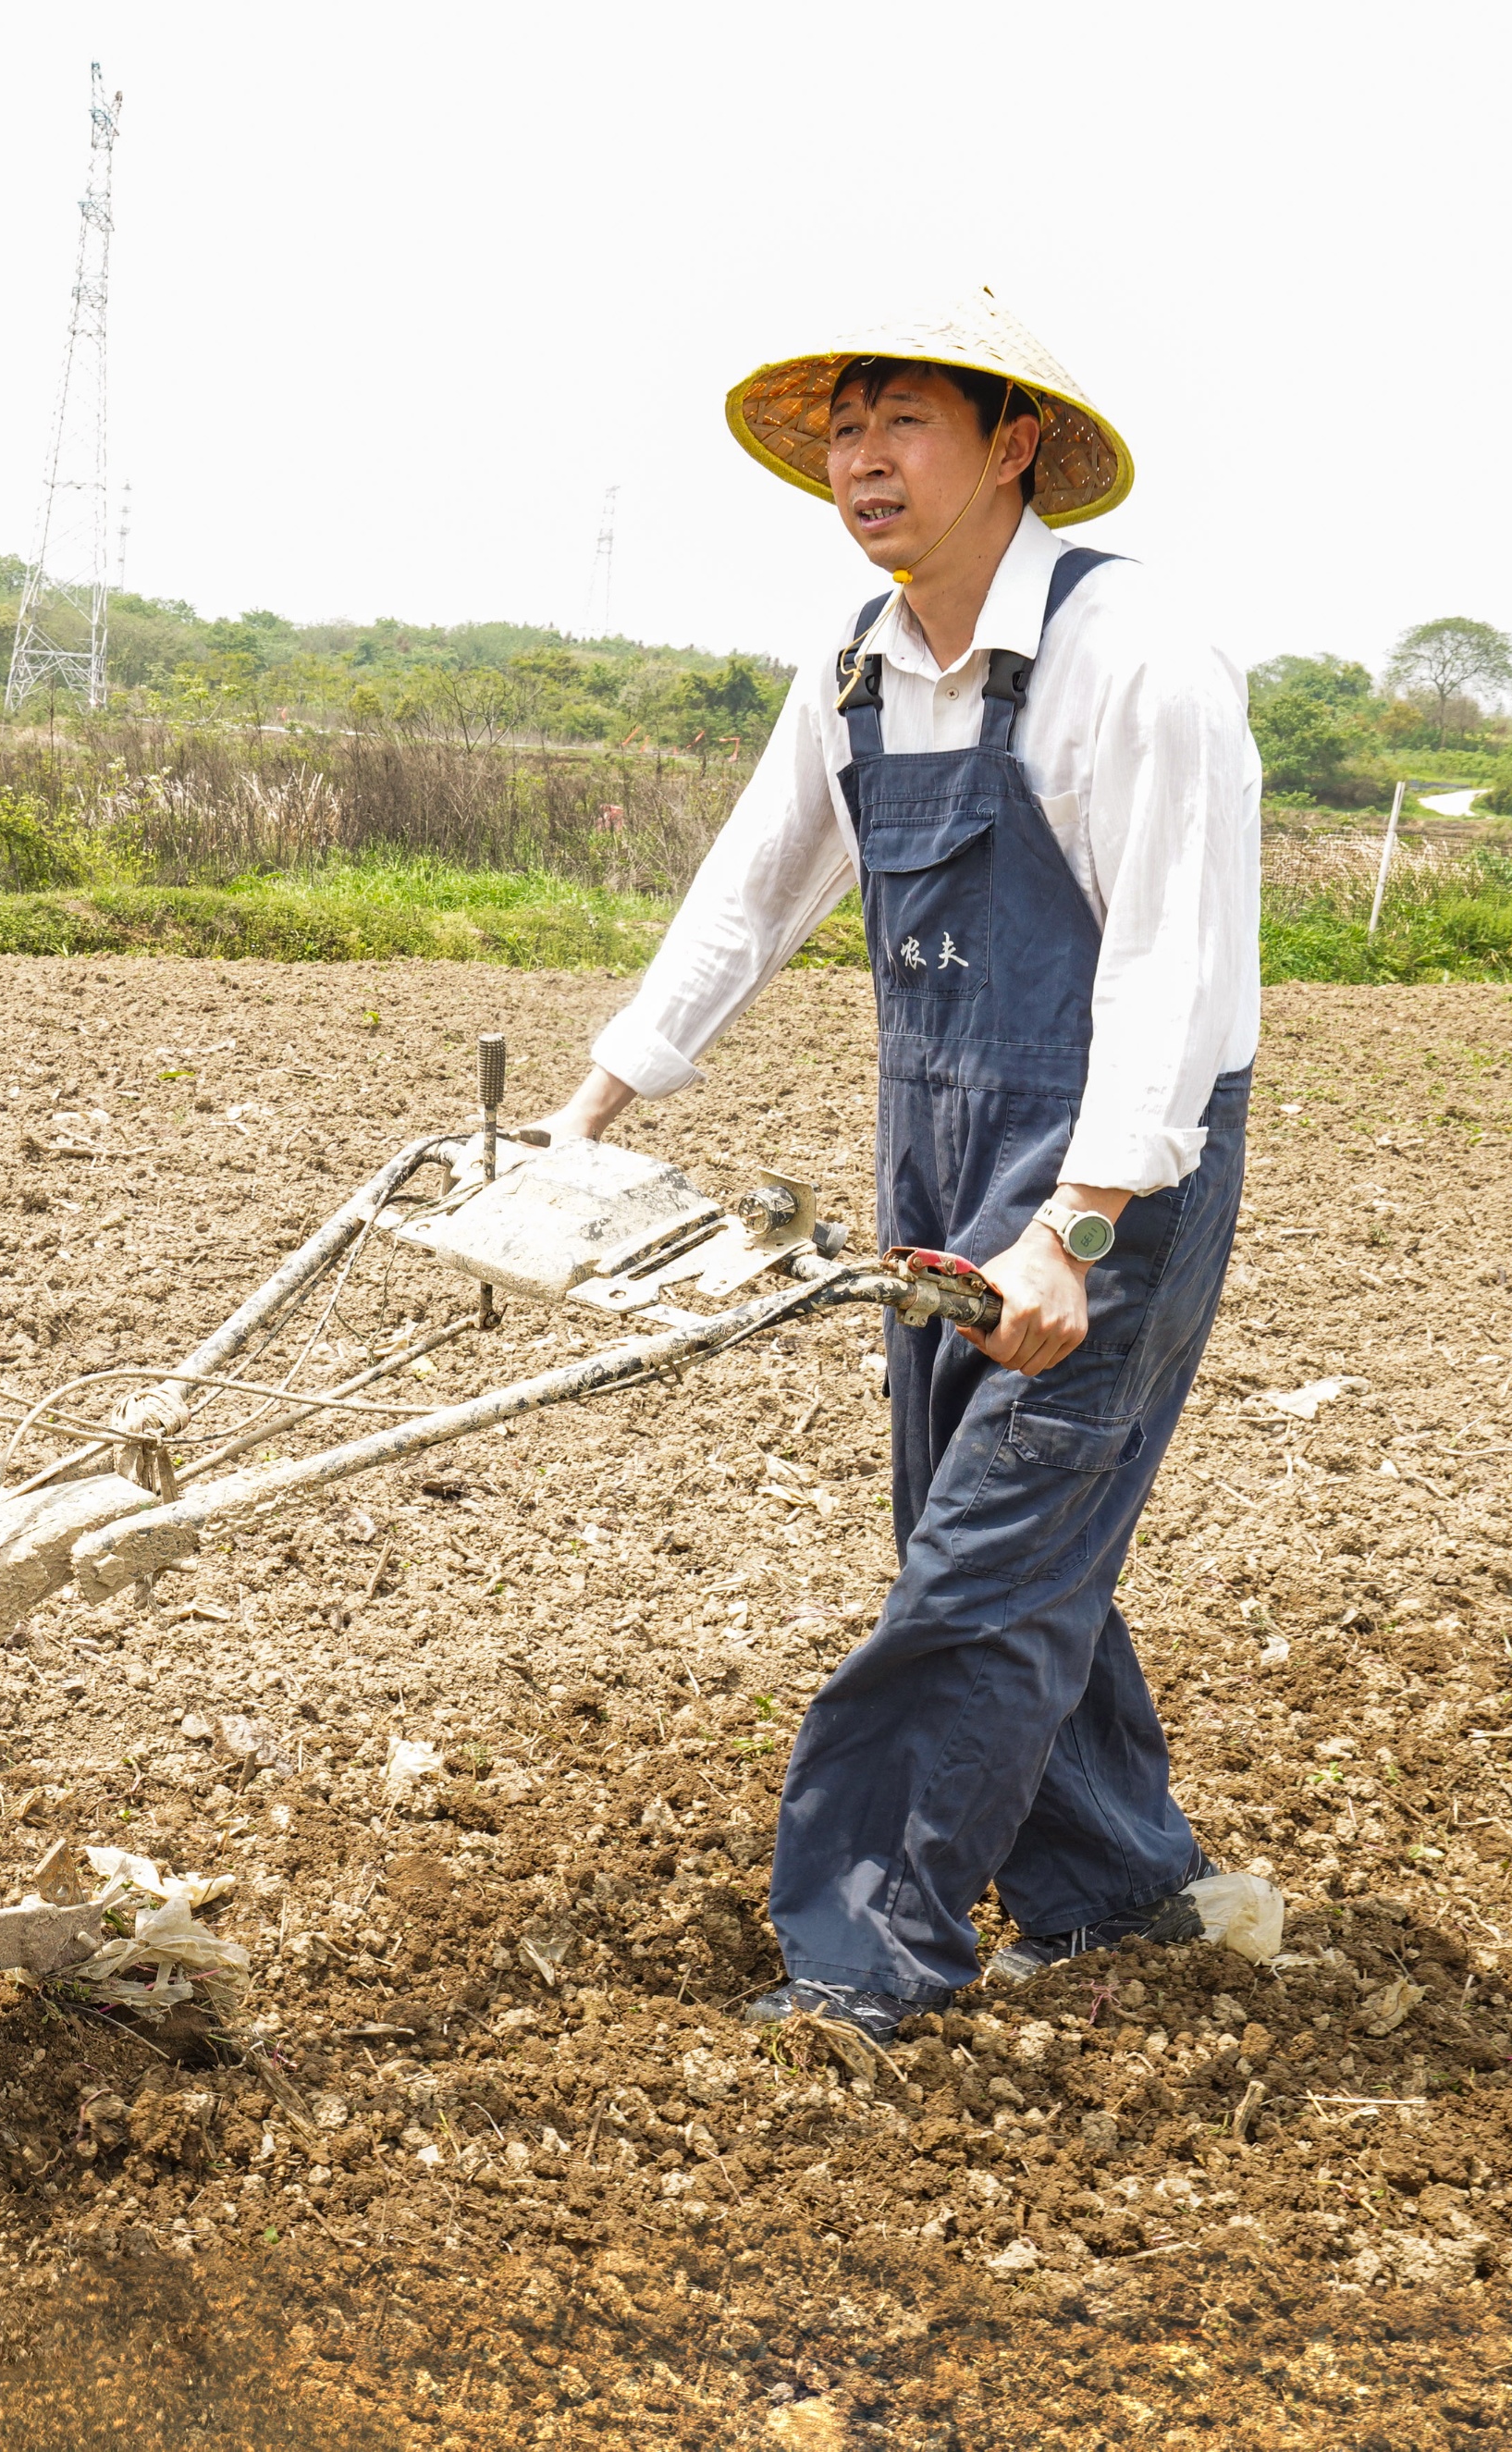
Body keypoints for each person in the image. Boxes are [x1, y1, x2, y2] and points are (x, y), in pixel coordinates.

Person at [534, 291, 1260, 2039]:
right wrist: (583, 1113)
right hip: (939, 1141)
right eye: (842, 429)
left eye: (902, 422)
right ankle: (1122, 1890)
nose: (860, 460)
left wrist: (1075, 1231)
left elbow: (1171, 967)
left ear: (1012, 444)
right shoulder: (859, 654)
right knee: (983, 1532)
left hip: (1113, 1172)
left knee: (979, 1570)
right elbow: (751, 890)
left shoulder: (1133, 657)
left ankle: (864, 1963)